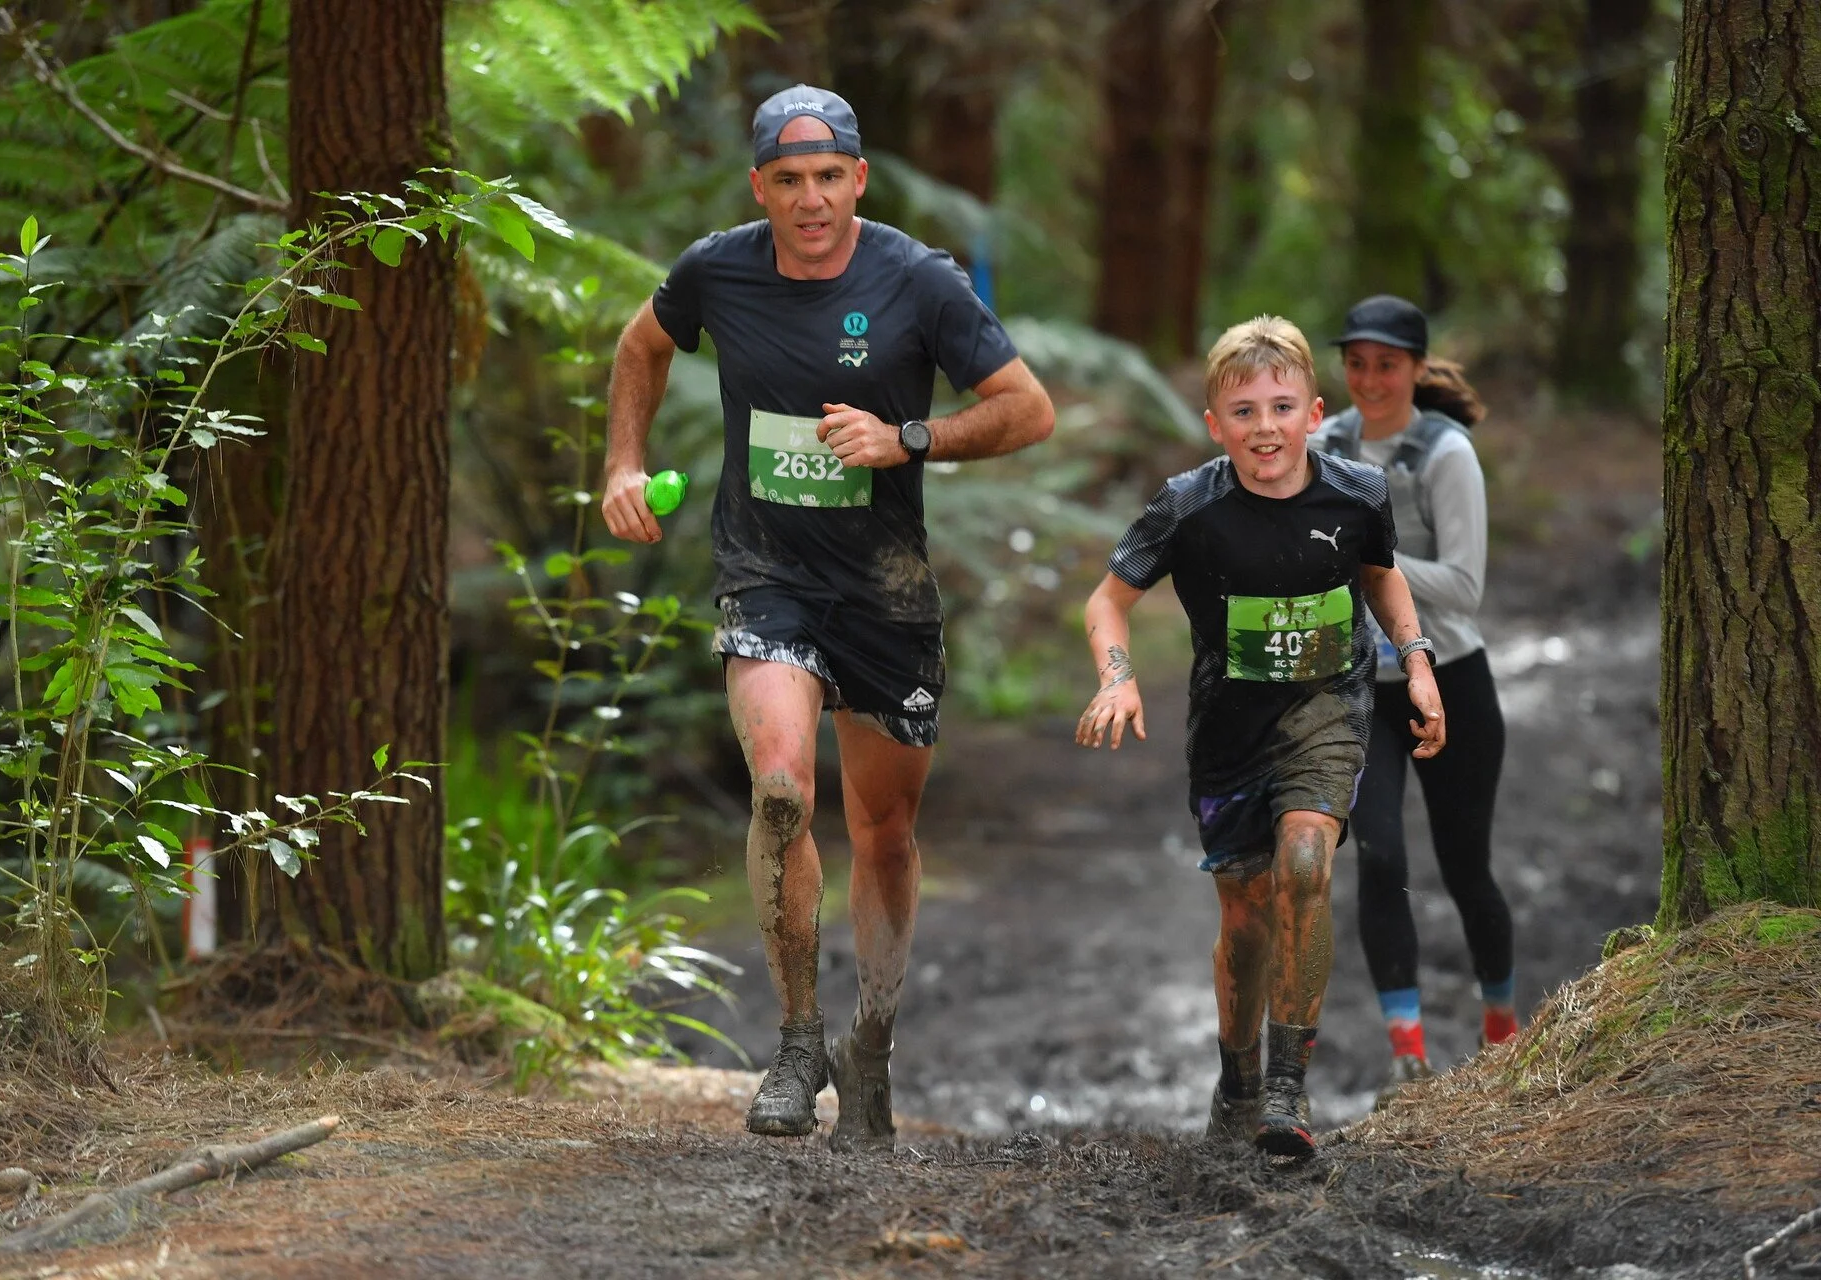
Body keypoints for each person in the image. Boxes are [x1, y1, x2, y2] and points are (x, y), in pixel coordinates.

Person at [600, 85, 1054, 1151]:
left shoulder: (918, 280)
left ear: (858, 177)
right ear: (761, 186)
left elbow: (1027, 407)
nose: (810, 199)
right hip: (766, 575)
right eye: (788, 181)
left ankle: (871, 1041)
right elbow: (640, 348)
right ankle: (798, 1040)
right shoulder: (716, 269)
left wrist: (911, 438)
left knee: (885, 833)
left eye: (828, 177)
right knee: (781, 793)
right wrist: (621, 461)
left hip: (886, 592)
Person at [1075, 315, 1445, 1157]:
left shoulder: (1357, 492)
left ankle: (1287, 1089)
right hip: (1229, 727)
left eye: (1283, 407)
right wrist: (1116, 675)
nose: (1265, 427)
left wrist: (1416, 660)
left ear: (1316, 412)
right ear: (1215, 424)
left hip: (1328, 705)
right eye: (1244, 412)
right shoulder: (1187, 505)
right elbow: (1107, 601)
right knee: (1244, 913)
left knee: (1306, 864)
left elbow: (1382, 581)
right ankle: (1237, 1081)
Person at [1311, 295, 1516, 1103]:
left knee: (1468, 869)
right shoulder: (1323, 444)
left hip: (1453, 682)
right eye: (1355, 362)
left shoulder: (1446, 454)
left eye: (1386, 364)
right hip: (1362, 685)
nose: (1369, 379)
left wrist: (1370, 557)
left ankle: (1501, 1024)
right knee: (1381, 857)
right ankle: (1408, 1054)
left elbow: (1465, 588)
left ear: (1417, 369)